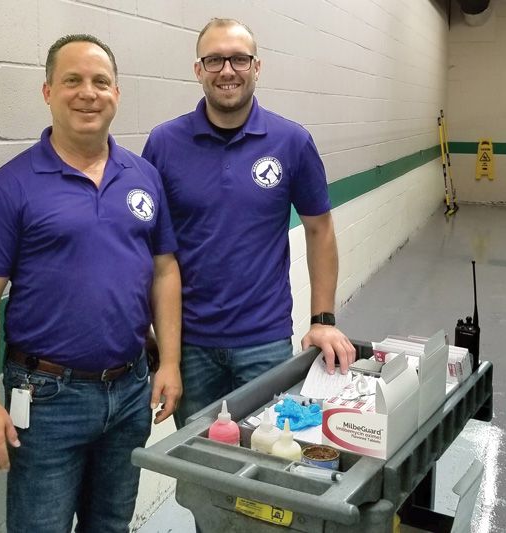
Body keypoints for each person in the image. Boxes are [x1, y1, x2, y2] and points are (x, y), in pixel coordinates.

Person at [0, 34, 182, 533]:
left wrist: (169, 361)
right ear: (47, 92)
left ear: (117, 94)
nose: (88, 93)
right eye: (72, 80)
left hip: (130, 391)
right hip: (45, 397)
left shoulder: (143, 177)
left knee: (111, 524)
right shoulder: (9, 187)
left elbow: (165, 270)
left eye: (101, 82)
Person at [142, 18, 355, 428]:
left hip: (265, 340)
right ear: (198, 70)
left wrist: (323, 320)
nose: (227, 70)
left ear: (256, 67)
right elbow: (147, 247)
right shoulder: (164, 144)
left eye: (239, 59)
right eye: (215, 59)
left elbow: (320, 229)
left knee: (268, 462)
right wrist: (145, 331)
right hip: (188, 344)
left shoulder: (291, 141)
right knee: (201, 468)